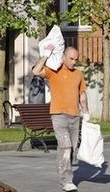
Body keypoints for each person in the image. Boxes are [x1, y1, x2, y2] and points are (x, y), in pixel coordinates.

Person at [33, 46, 89, 192]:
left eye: (76, 59)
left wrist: (86, 112)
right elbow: (36, 71)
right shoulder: (54, 71)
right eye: (71, 58)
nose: (74, 62)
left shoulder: (78, 74)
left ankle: (64, 171)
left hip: (75, 116)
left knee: (71, 150)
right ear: (63, 57)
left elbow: (82, 94)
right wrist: (46, 55)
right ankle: (66, 181)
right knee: (65, 146)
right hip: (58, 115)